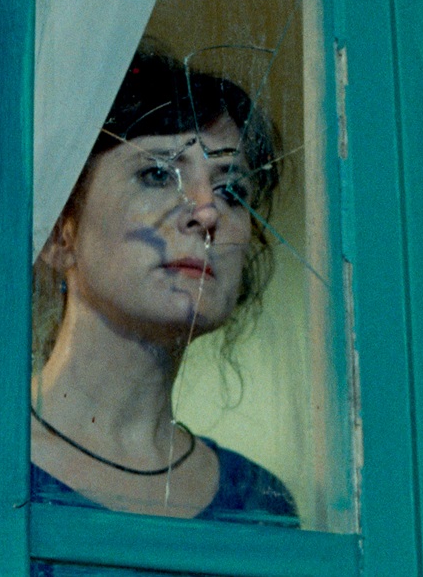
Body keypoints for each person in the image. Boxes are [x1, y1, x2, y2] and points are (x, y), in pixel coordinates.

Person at [30, 47, 298, 528]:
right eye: (157, 174)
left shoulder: (259, 505)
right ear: (59, 232)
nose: (207, 212)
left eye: (232, 191)